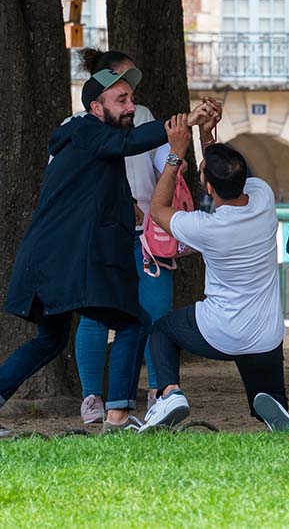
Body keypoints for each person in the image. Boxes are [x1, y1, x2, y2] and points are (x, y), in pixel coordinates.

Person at [0, 55, 213, 434]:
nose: (131, 107)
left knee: (50, 342)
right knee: (135, 322)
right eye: (121, 100)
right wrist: (184, 123)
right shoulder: (86, 131)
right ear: (96, 107)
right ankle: (116, 419)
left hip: (50, 260)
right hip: (67, 261)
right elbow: (130, 142)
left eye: (131, 99)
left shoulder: (90, 143)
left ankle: (114, 414)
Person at [139, 111, 289, 432]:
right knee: (266, 395)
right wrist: (209, 136)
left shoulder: (206, 227)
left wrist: (174, 155)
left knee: (162, 331)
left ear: (208, 187)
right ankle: (274, 404)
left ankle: (170, 394)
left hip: (220, 332)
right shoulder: (263, 198)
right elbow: (227, 172)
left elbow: (157, 211)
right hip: (266, 334)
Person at [70, 48, 175, 424]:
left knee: (156, 311)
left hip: (145, 234)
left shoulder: (143, 117)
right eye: (125, 85)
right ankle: (92, 398)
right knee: (95, 316)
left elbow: (167, 166)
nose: (132, 96)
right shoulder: (75, 126)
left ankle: (160, 389)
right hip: (98, 238)